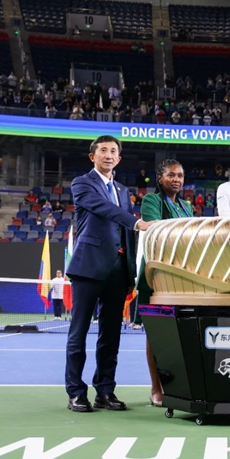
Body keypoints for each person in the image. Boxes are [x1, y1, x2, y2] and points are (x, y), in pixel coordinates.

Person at [64, 135, 153, 413]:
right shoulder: (82, 183)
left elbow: (126, 233)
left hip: (118, 271)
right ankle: (76, 392)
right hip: (88, 268)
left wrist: (130, 272)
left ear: (119, 158)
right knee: (78, 334)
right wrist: (138, 223)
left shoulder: (123, 190)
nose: (108, 154)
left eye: (113, 151)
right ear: (93, 156)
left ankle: (105, 390)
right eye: (103, 150)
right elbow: (105, 210)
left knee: (111, 335)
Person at [134, 159, 193, 407]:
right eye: (171, 175)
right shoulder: (151, 201)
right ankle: (156, 387)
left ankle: (179, 386)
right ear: (160, 178)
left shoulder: (186, 205)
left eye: (180, 175)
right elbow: (157, 230)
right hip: (157, 275)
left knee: (181, 335)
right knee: (156, 334)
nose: (176, 179)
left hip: (183, 275)